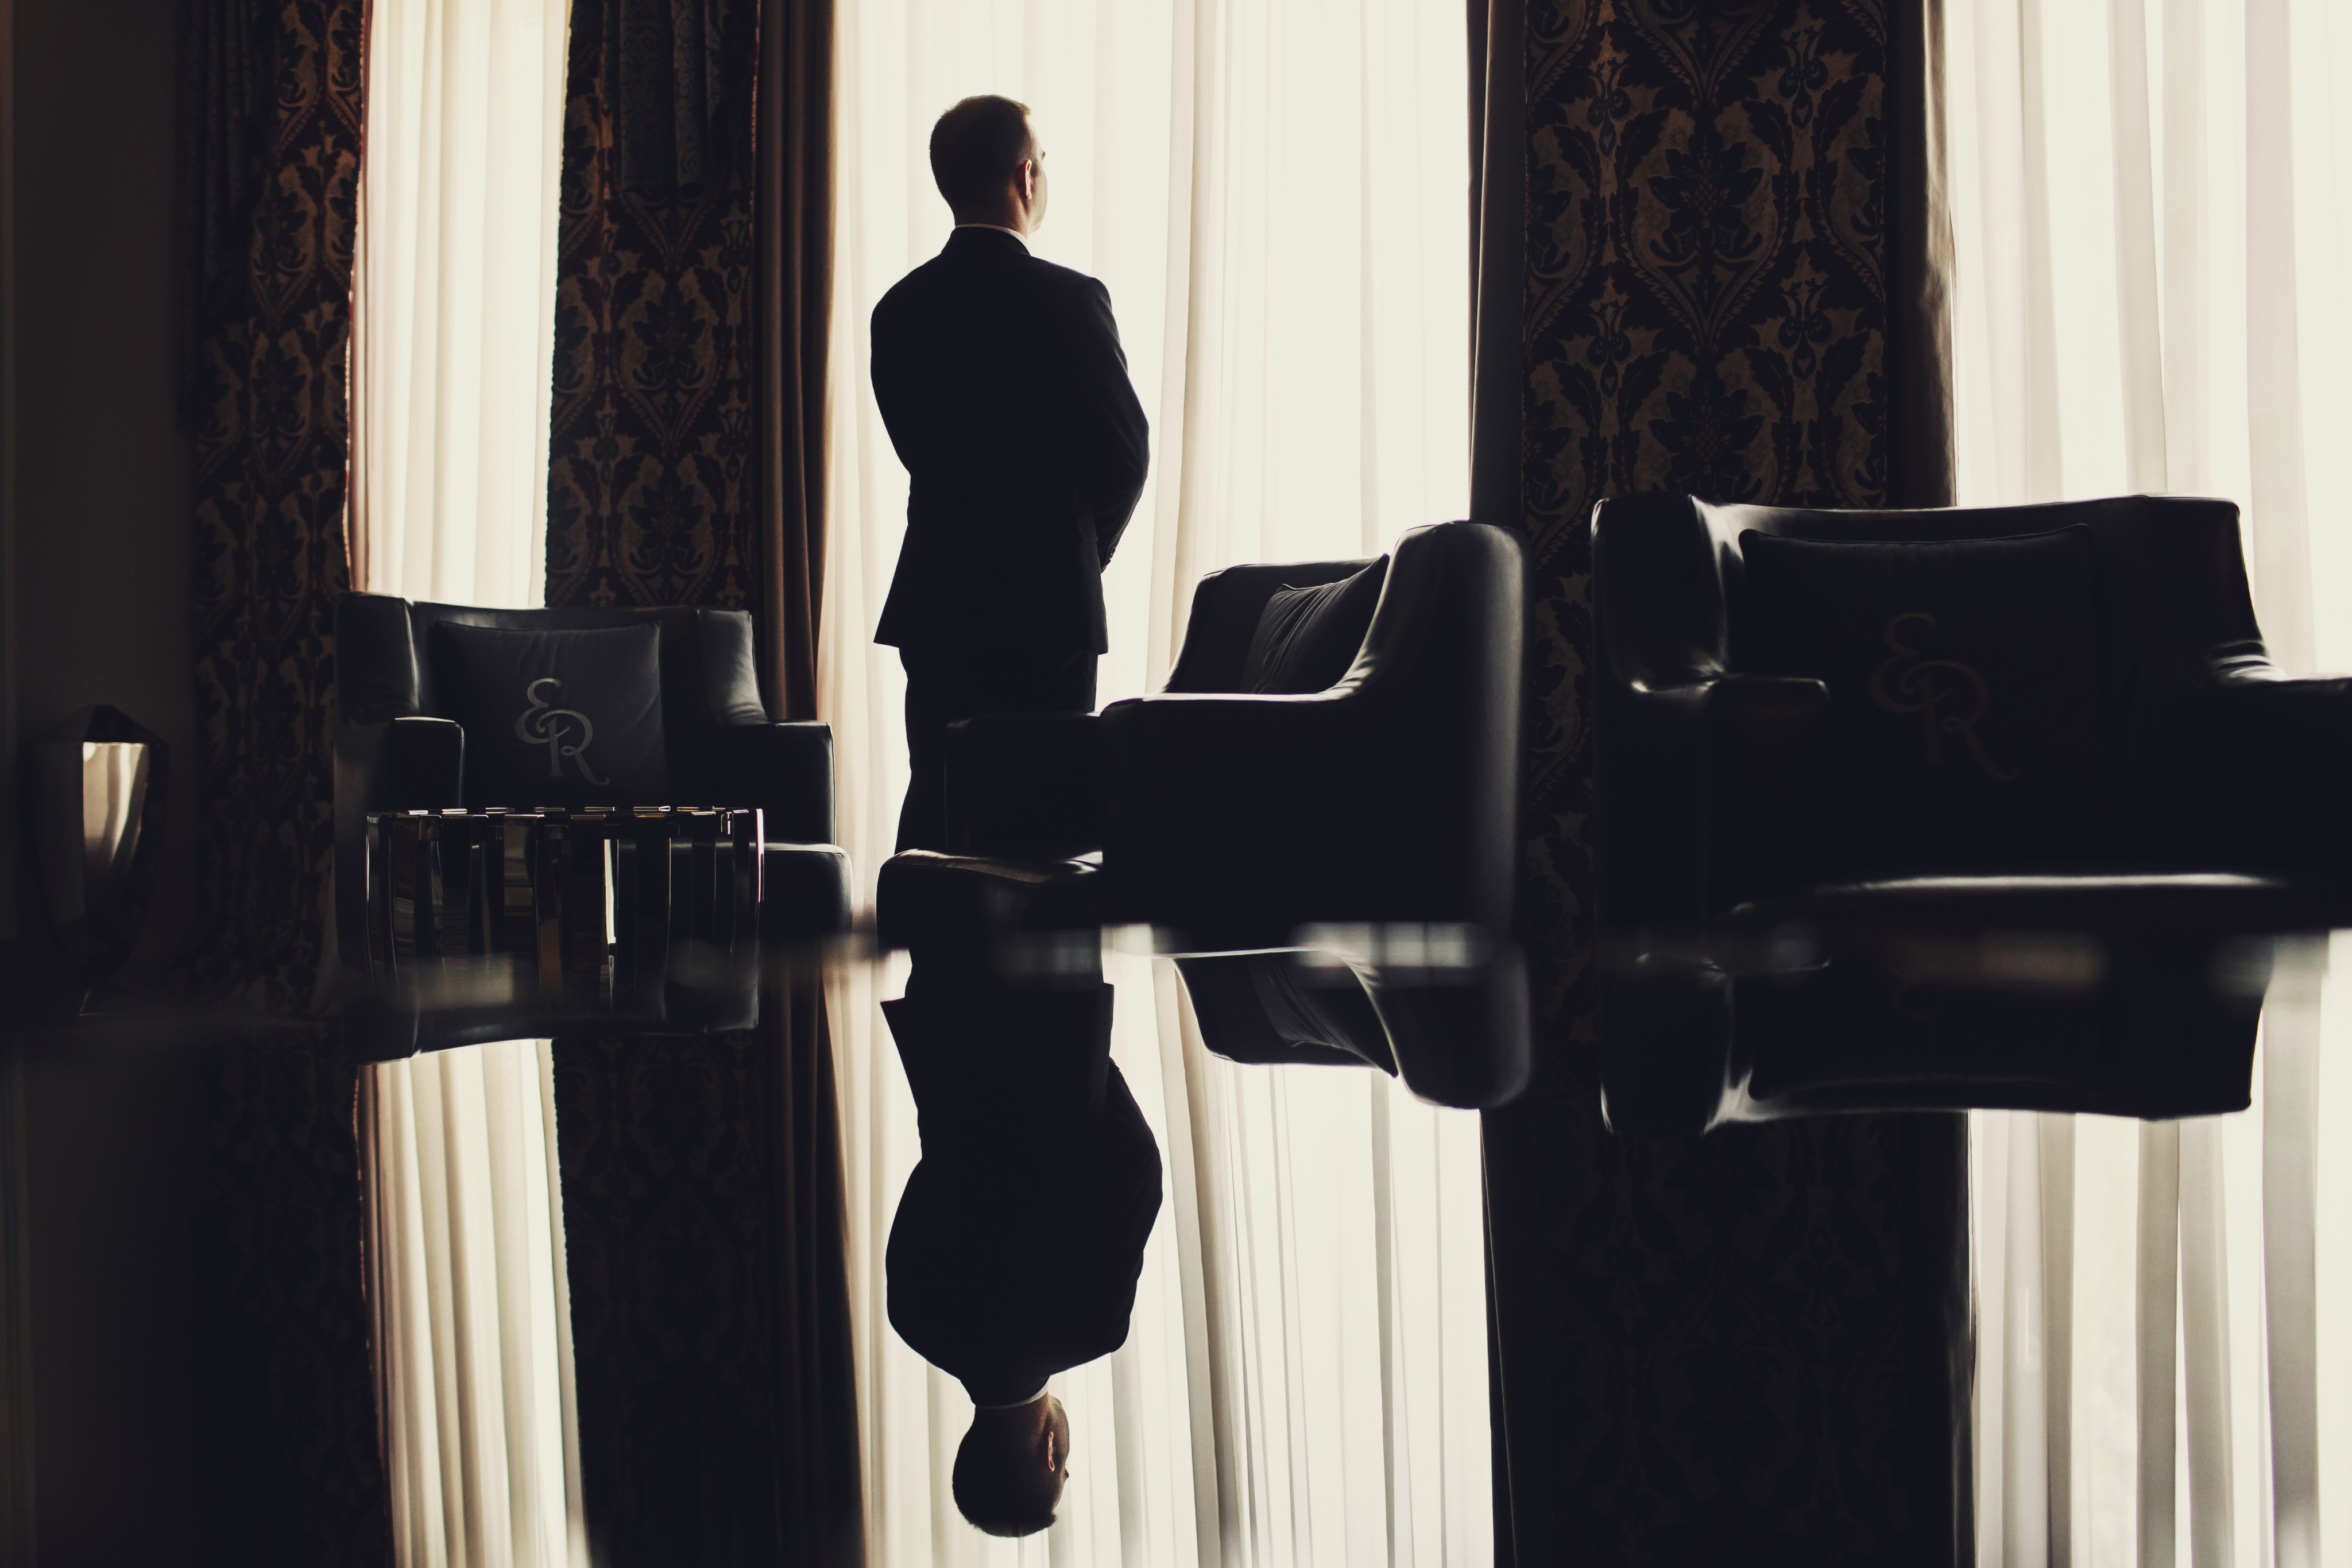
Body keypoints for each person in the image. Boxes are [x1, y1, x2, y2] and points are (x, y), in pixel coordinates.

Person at [870, 94, 1150, 851]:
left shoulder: (899, 310)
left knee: (942, 800)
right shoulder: (1071, 300)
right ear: (1026, 176)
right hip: (1046, 607)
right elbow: (1125, 457)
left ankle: (924, 929)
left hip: (938, 599)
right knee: (1042, 820)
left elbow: (917, 448)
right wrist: (1079, 551)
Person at [882, 967, 1161, 1538]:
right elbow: (927, 1176)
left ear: (1050, 1454)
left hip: (1058, 1028)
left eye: (1064, 1473)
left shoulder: (1094, 1328)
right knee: (948, 916)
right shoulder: (913, 1319)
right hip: (949, 1028)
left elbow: (1138, 1165)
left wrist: (1091, 1067)